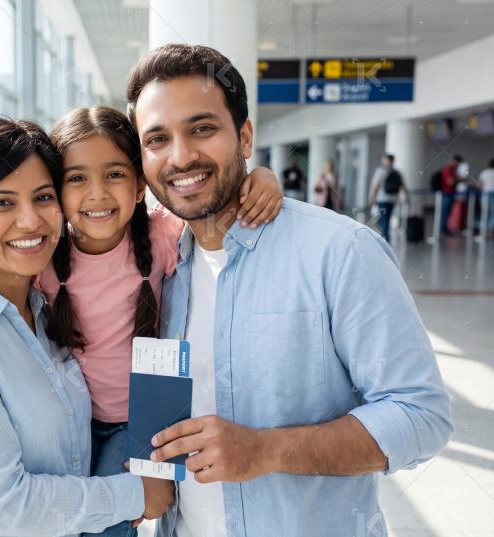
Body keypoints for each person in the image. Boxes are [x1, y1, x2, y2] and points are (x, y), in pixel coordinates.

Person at [125, 43, 452, 537]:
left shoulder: (340, 252)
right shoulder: (158, 265)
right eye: (157, 139)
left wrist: (265, 450)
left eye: (202, 128)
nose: (181, 156)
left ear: (245, 136)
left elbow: (421, 416)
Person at [0, 107, 284, 536]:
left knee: (112, 525)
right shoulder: (43, 259)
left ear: (140, 186)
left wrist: (261, 178)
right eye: (76, 179)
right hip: (78, 422)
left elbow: (216, 210)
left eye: (115, 175)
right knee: (88, 511)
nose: (97, 194)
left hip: (139, 420)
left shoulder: (160, 236)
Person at [0, 117, 177, 536]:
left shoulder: (43, 304)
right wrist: (137, 494)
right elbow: (6, 508)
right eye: (2, 203)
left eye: (43, 197)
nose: (30, 221)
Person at [368, 153, 409, 242]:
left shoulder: (380, 171)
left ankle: (385, 238)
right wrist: (405, 196)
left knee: (383, 219)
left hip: (382, 199)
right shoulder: (397, 172)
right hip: (392, 199)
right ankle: (385, 236)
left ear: (386, 160)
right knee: (386, 218)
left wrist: (372, 197)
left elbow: (375, 185)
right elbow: (402, 186)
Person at [440, 155, 462, 235]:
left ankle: (444, 228)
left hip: (449, 193)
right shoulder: (448, 169)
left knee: (447, 212)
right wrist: (459, 179)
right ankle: (443, 229)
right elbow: (450, 182)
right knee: (445, 212)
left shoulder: (451, 169)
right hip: (447, 193)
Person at [480, 158, 494, 236]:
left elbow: (480, 184)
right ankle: (490, 229)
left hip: (485, 193)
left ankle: (485, 230)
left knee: (485, 212)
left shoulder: (485, 172)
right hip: (492, 193)